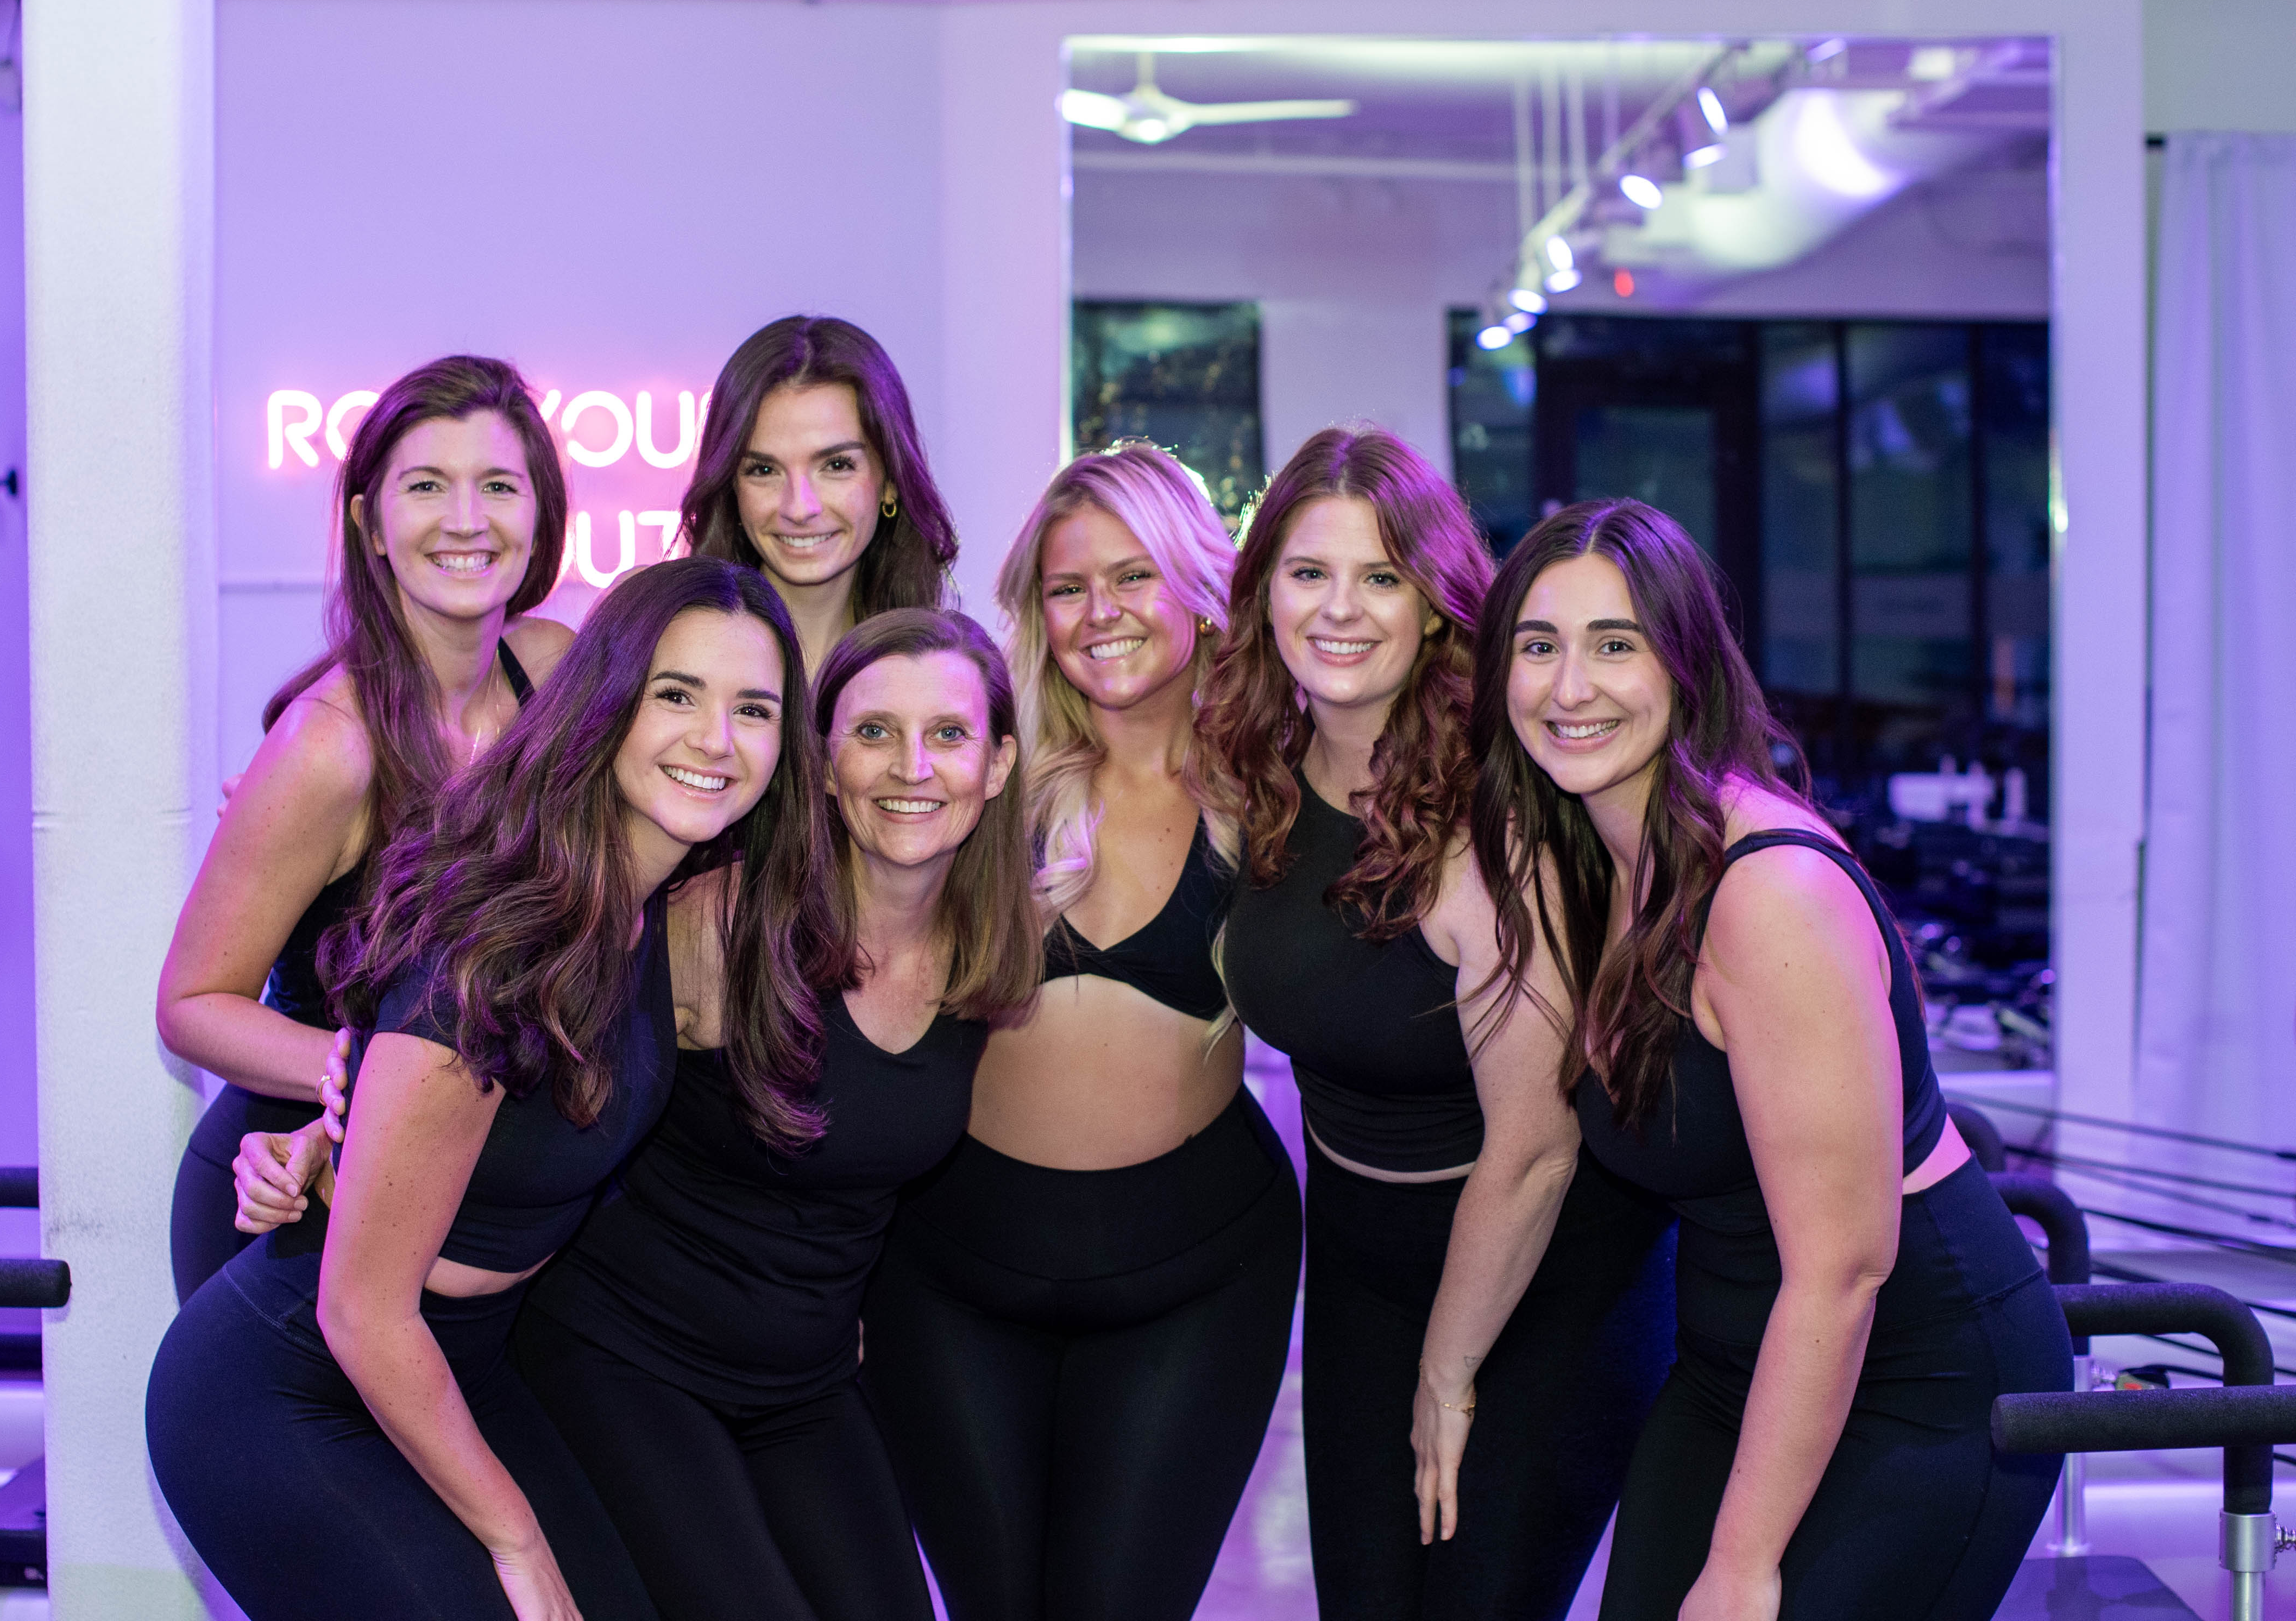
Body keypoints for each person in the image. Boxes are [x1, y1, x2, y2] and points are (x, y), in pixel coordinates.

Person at [248, 608, 1039, 1621]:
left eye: (949, 735)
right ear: (823, 762)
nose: (910, 767)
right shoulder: (715, 919)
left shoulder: (999, 948)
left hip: (801, 1387)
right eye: (873, 731)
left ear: (1000, 761)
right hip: (629, 1357)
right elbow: (505, 1034)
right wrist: (335, 1126)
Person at [147, 557, 839, 1621]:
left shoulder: (653, 908)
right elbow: (361, 1308)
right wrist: (515, 1539)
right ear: (604, 705)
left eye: (753, 709)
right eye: (676, 696)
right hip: (294, 1388)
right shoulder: (498, 948)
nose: (716, 740)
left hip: (458, 1362)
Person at [1471, 500, 2068, 1621]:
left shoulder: (1766, 894)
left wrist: (1742, 1567)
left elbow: (1843, 1269)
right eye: (1537, 646)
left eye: (1614, 645)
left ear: (1687, 665)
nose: (1567, 687)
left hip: (1911, 1372)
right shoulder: (1603, 865)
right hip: (1732, 1362)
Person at [1199, 428, 1673, 1620]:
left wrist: (1449, 1374)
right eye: (1308, 574)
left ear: (1435, 602)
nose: (1340, 610)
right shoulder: (1255, 766)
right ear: (1261, 595)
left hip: (1544, 1268)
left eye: (1381, 577)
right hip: (1361, 1263)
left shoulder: (1498, 799)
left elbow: (1534, 1146)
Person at [860, 444, 1302, 1621]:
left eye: (1132, 576)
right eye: (1067, 588)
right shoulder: (980, 775)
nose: (1099, 613)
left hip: (1196, 1278)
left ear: (1196, 588)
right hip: (951, 1274)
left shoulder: (1274, 789)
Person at [155, 355, 572, 1301]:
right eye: (426, 486)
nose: (466, 519)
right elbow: (189, 1002)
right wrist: (355, 1067)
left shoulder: (551, 677)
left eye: (498, 486)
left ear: (539, 511)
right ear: (366, 522)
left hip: (458, 1183)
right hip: (293, 1196)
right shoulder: (328, 746)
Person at [678, 315, 958, 677]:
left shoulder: (944, 675)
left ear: (891, 481)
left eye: (837, 465)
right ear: (731, 487)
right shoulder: (656, 633)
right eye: (764, 471)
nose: (799, 508)